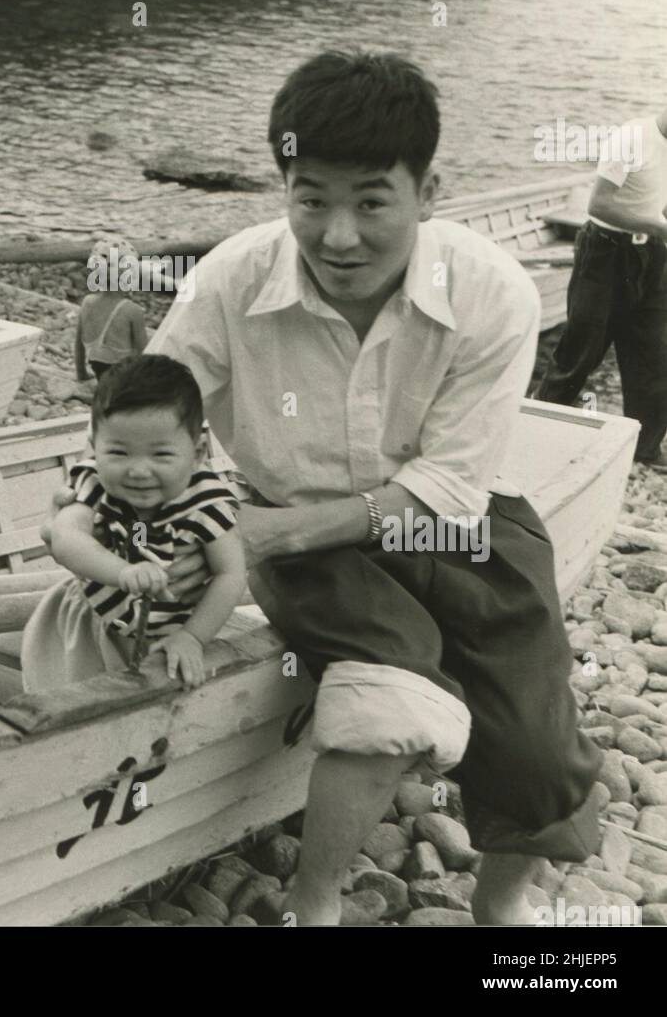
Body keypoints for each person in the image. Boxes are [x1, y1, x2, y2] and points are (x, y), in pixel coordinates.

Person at [143, 52, 600, 926]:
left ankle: (502, 913)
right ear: (284, 186)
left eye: (370, 201)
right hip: (289, 513)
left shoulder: (492, 292)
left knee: (537, 741)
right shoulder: (229, 281)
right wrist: (159, 529)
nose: (337, 236)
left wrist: (263, 539)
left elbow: (447, 487)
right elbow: (148, 421)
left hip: (452, 519)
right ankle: (313, 909)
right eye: (310, 199)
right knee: (387, 685)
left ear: (428, 191)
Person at [22, 355, 246, 691]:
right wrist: (123, 572)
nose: (139, 471)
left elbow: (231, 573)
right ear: (95, 447)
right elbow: (65, 535)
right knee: (70, 710)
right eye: (119, 453)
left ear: (197, 453)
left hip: (172, 632)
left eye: (161, 455)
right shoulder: (95, 482)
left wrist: (193, 637)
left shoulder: (206, 503)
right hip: (89, 622)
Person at [536, 106, 667, 468]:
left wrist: (659, 229)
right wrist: (659, 228)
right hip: (605, 251)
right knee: (583, 347)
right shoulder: (633, 138)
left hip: (652, 254)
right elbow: (600, 204)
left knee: (654, 352)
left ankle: (645, 449)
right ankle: (537, 425)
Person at [74, 237, 148, 383]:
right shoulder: (132, 311)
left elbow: (79, 346)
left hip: (99, 372)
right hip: (123, 379)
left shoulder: (87, 302)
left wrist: (81, 375)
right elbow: (145, 356)